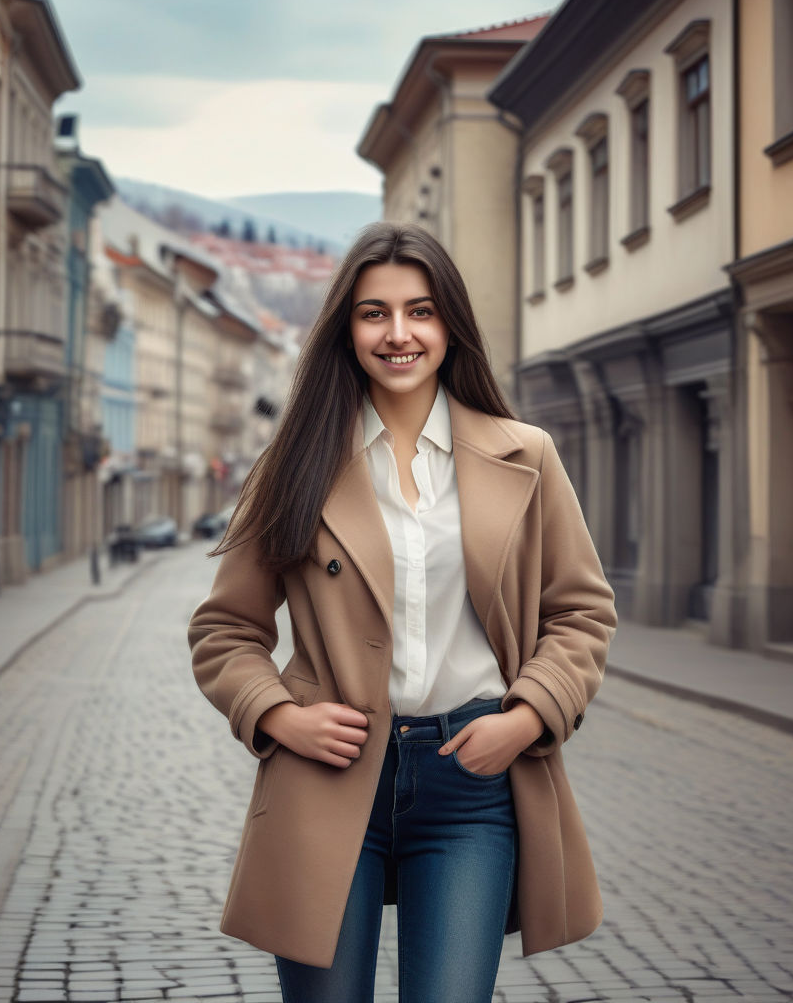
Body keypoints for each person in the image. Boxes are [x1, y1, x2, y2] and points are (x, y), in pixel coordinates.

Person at [188, 222, 617, 1003]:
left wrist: (526, 718)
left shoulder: (527, 455)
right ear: (345, 330)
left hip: (470, 782)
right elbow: (225, 630)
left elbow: (581, 613)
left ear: (449, 324)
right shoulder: (294, 464)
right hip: (327, 772)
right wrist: (279, 716)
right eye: (373, 313)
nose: (398, 334)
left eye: (420, 311)